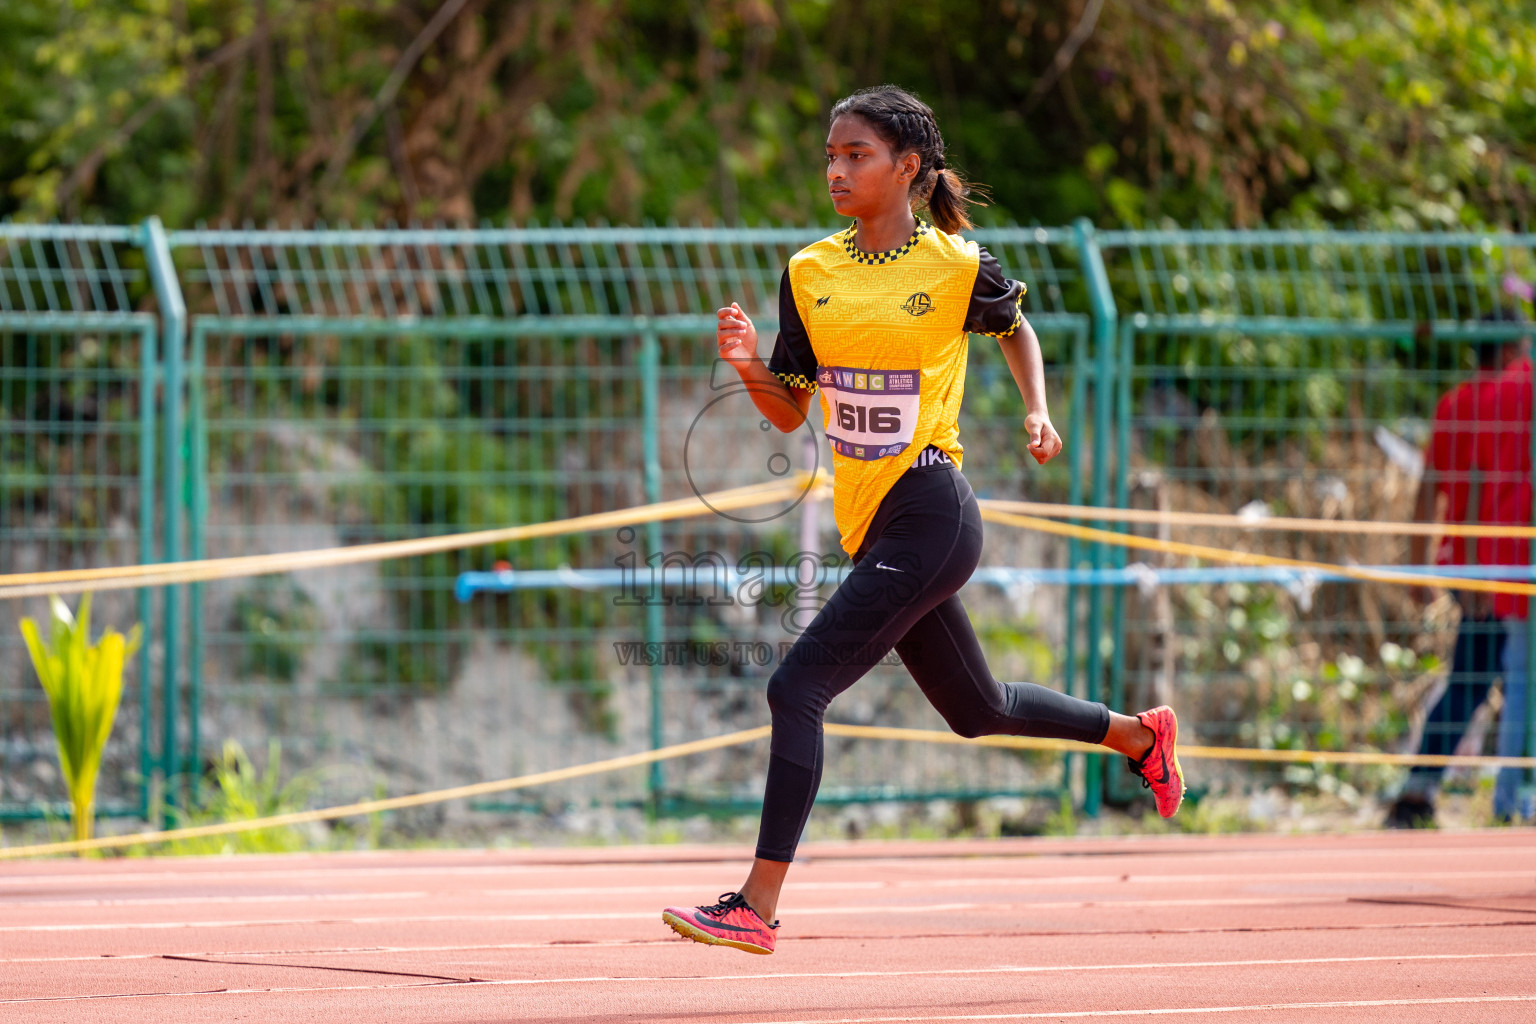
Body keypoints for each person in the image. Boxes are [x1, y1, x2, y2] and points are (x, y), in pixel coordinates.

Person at [659, 86, 1184, 956]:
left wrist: (1036, 410)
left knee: (796, 688)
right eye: (829, 154)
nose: (835, 169)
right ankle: (1139, 735)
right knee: (978, 709)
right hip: (869, 528)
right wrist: (750, 362)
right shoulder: (808, 273)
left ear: (907, 167)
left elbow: (1015, 329)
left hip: (932, 510)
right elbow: (792, 413)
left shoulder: (956, 266)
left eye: (855, 154)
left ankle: (757, 904)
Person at [1387, 313, 1532, 827]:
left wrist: (1419, 564)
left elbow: (1433, 488)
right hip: (1500, 566)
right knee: (1482, 678)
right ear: (1515, 348)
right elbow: (1469, 484)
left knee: (1478, 677)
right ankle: (1423, 789)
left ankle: (1424, 787)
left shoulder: (1456, 402)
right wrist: (1476, 568)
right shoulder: (1504, 397)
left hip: (1481, 564)